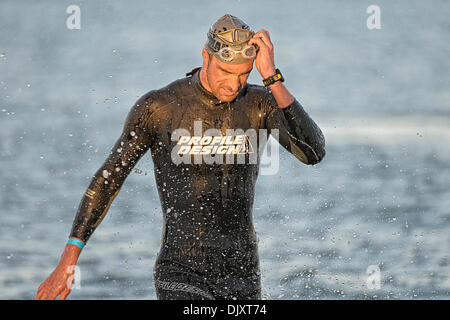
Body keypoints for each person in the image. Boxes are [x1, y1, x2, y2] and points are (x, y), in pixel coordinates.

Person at [35, 14, 325, 300]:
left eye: (243, 74)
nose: (233, 85)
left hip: (243, 274)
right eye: (225, 71)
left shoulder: (259, 103)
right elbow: (109, 178)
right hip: (181, 273)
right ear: (206, 57)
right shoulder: (160, 107)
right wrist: (68, 259)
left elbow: (313, 152)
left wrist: (272, 77)